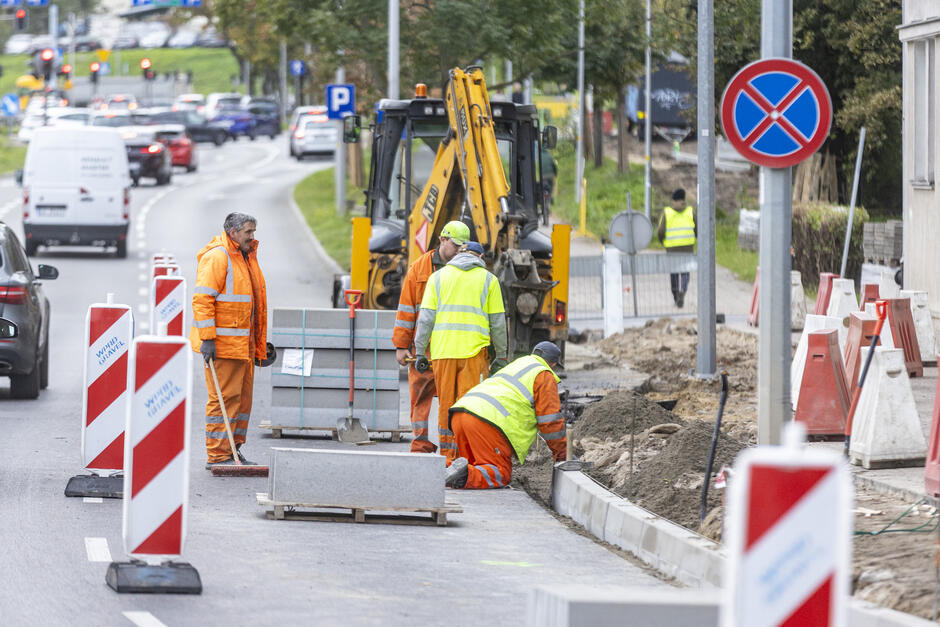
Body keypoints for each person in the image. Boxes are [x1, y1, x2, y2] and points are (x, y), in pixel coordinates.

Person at [414, 234, 508, 462]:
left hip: (443, 354)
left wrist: (419, 350)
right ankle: (468, 459)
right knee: (471, 408)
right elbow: (497, 323)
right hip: (474, 354)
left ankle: (448, 459)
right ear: (481, 257)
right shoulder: (488, 280)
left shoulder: (438, 278)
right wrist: (502, 355)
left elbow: (425, 319)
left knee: (446, 405)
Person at [190, 212, 269, 469]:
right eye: (248, 231)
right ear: (233, 232)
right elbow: (203, 300)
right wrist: (208, 339)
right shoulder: (219, 257)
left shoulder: (244, 256)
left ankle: (233, 451)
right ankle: (218, 455)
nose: (252, 236)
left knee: (241, 401)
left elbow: (251, 307)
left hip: (241, 345)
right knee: (223, 399)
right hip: (223, 346)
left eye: (253, 231)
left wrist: (259, 345)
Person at [445, 341, 567, 489]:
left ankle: (441, 471)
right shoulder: (544, 374)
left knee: (472, 465)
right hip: (486, 423)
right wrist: (562, 454)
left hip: (460, 415)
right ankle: (462, 477)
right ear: (553, 364)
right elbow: (550, 422)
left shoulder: (517, 364)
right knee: (499, 472)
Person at [393, 221, 463, 453]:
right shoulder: (419, 269)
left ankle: (449, 449)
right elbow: (406, 311)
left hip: (452, 350)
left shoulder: (464, 270)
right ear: (443, 240)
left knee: (451, 400)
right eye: (456, 246)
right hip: (425, 350)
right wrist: (402, 346)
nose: (459, 252)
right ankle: (422, 445)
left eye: (463, 248)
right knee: (421, 397)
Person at [657, 188, 696, 308]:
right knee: (685, 272)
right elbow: (698, 228)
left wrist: (663, 242)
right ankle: (682, 291)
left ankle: (675, 296)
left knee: (674, 273)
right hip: (687, 246)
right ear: (683, 199)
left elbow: (660, 231)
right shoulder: (690, 211)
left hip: (672, 247)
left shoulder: (667, 212)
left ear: (673, 200)